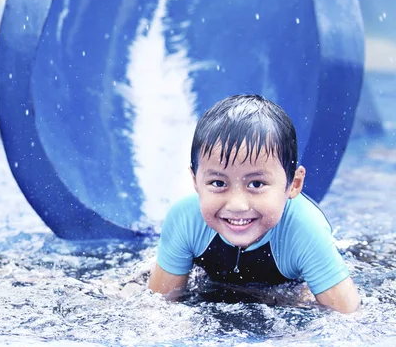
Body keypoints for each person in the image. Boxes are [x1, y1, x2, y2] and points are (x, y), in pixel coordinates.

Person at [148, 94, 360, 313]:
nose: (237, 204)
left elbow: (349, 317)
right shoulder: (186, 219)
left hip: (286, 294)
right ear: (195, 182)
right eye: (218, 182)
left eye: (256, 184)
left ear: (294, 184)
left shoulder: (304, 229)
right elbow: (159, 306)